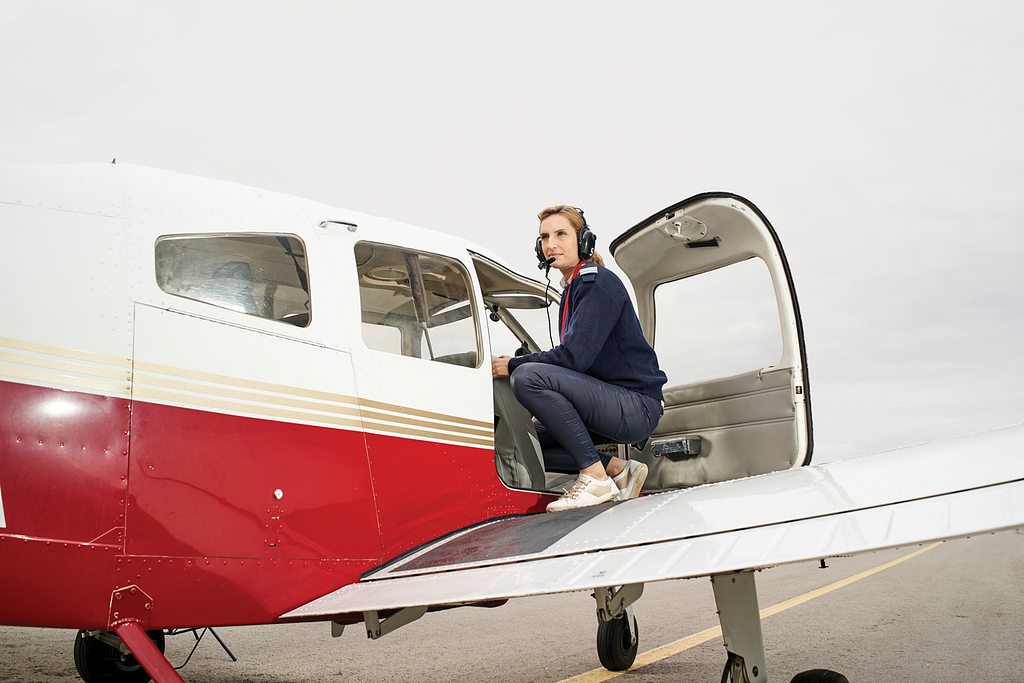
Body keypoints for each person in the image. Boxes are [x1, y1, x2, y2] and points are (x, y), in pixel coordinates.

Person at [491, 206, 667, 512]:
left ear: (583, 241)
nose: (551, 244)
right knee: (524, 437)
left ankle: (594, 477)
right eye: (544, 237)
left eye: (561, 234)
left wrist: (514, 365)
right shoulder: (573, 291)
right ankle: (617, 469)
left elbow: (574, 357)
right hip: (612, 403)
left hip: (636, 405)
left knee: (526, 377)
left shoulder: (596, 282)